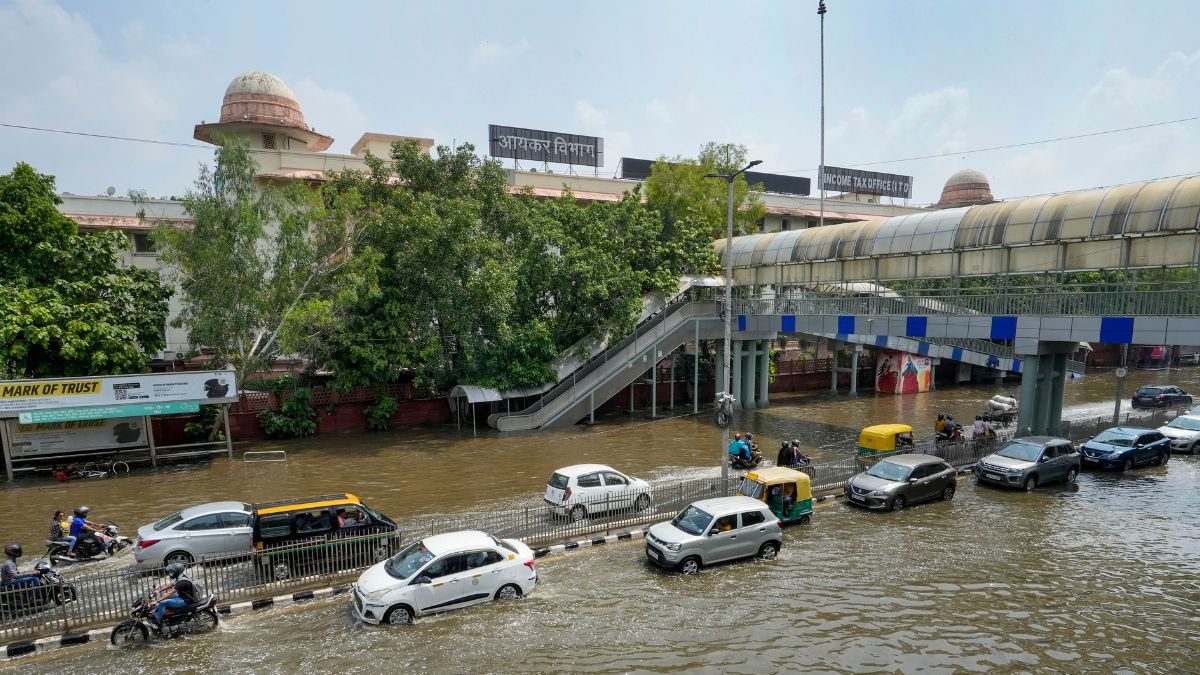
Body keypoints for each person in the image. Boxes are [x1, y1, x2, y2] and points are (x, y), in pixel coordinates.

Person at [148, 563, 197, 631]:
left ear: (177, 572)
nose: (171, 573)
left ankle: (156, 621)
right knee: (165, 596)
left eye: (172, 572)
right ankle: (160, 612)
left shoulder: (182, 582)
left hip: (186, 600)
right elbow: (171, 585)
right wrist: (159, 590)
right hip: (182, 596)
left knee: (163, 602)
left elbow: (170, 593)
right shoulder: (180, 576)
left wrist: (157, 601)